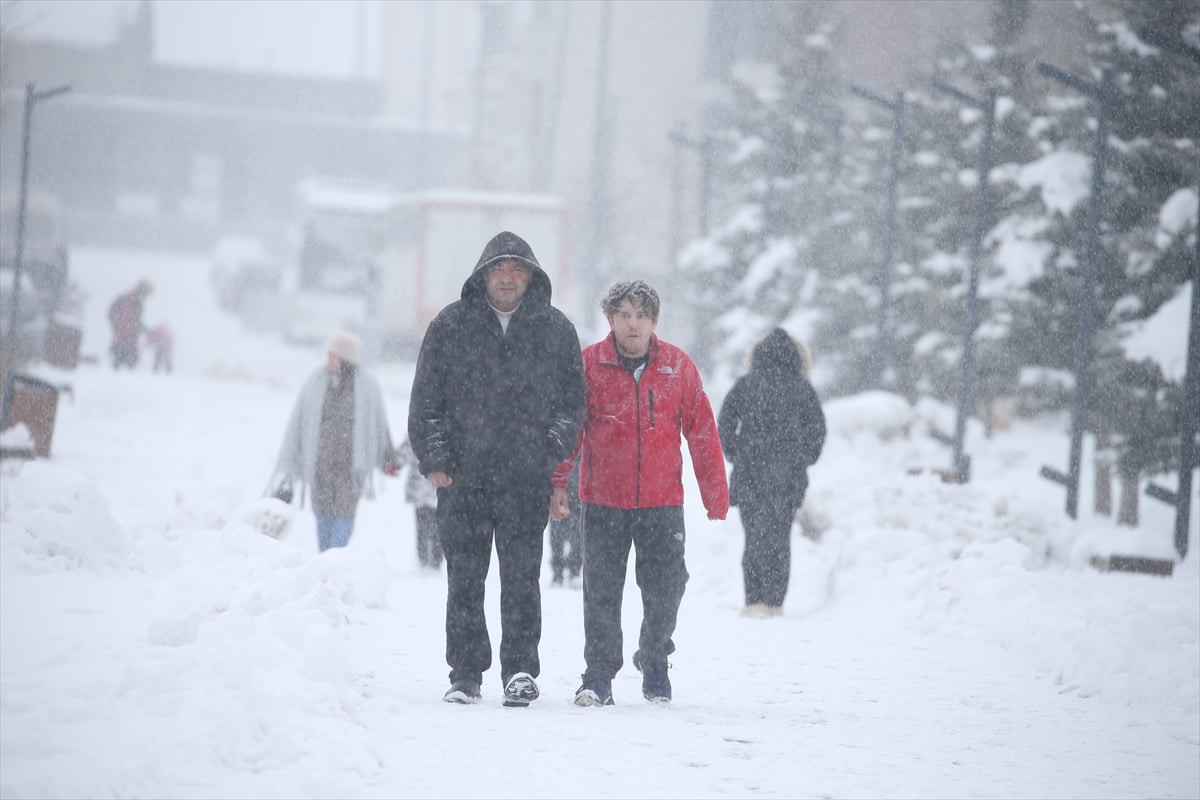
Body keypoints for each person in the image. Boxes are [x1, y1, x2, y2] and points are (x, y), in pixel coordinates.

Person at [408, 230, 585, 707]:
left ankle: (520, 670)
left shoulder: (555, 330)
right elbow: (426, 399)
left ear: (531, 276)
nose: (507, 277)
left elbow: (572, 404)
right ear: (483, 275)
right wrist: (435, 458)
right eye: (499, 269)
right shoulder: (451, 325)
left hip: (525, 480)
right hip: (462, 478)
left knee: (522, 579)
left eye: (517, 269)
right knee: (465, 578)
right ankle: (466, 674)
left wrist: (550, 450)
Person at [550, 280, 729, 707]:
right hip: (602, 500)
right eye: (625, 315)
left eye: (642, 316)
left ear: (655, 321)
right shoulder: (589, 365)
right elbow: (570, 429)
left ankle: (654, 656)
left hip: (662, 501)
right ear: (610, 319)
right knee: (601, 592)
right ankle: (598, 676)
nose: (634, 324)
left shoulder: (677, 367)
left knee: (668, 586)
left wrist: (715, 493)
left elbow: (701, 430)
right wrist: (558, 481)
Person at [718, 328, 826, 618]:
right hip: (787, 478)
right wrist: (802, 459)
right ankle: (774, 602)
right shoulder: (802, 388)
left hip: (749, 474)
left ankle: (754, 600)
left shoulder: (745, 385)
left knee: (753, 537)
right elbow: (817, 430)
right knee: (779, 537)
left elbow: (725, 423)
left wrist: (736, 453)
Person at [270, 331, 400, 552]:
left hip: (351, 465)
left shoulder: (366, 386)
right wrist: (294, 456)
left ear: (346, 359)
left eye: (333, 355)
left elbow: (378, 423)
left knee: (344, 513)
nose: (329, 359)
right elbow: (299, 421)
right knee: (323, 512)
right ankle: (325, 556)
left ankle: (336, 554)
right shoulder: (315, 382)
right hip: (320, 463)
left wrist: (388, 456)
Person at [396, 437, 442, 569]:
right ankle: (435, 559)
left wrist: (394, 463)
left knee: (422, 525)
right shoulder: (445, 429)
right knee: (438, 526)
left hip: (420, 487)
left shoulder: (417, 429)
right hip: (438, 487)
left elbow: (405, 452)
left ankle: (424, 558)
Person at [547, 454, 582, 587]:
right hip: (565, 486)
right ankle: (559, 571)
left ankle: (572, 570)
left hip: (576, 489)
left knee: (575, 534)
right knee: (558, 532)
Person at [108, 280, 152, 369]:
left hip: (124, 336)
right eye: (146, 293)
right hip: (127, 338)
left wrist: (117, 324)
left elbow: (112, 313)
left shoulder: (127, 299)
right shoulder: (133, 301)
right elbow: (135, 320)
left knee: (120, 362)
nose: (145, 296)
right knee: (127, 363)